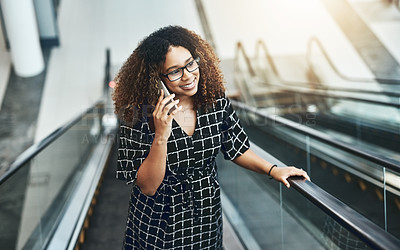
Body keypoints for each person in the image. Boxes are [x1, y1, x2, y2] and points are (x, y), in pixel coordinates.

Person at [112, 25, 310, 249]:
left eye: (190, 64)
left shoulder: (213, 101)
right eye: (175, 71)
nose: (188, 75)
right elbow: (148, 186)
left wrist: (273, 170)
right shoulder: (138, 115)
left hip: (206, 215)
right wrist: (161, 135)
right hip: (160, 224)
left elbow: (236, 146)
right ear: (156, 79)